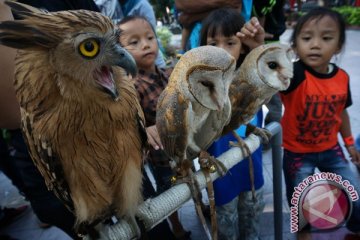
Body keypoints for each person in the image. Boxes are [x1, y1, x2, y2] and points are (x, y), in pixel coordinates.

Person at [280, 7, 360, 236]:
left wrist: (349, 142)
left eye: (326, 38)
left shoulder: (342, 77)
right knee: (299, 200)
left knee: (352, 191)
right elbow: (268, 74)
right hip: (297, 154)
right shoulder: (293, 74)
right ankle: (303, 235)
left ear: (339, 46)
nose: (315, 44)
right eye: (306, 38)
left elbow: (342, 112)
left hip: (331, 149)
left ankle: (355, 229)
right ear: (295, 45)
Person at [118, 16, 190, 240]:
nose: (146, 44)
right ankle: (175, 225)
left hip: (185, 148)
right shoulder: (130, 88)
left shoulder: (169, 74)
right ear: (120, 52)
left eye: (150, 37)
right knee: (168, 193)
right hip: (161, 157)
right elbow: (129, 121)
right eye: (134, 42)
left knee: (191, 181)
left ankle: (200, 206)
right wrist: (145, 128)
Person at [200, 8, 266, 240]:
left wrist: (258, 46)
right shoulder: (198, 85)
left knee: (252, 226)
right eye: (213, 43)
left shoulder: (250, 78)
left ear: (243, 46)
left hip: (252, 171)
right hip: (220, 176)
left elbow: (275, 72)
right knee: (226, 228)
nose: (221, 51)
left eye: (230, 42)